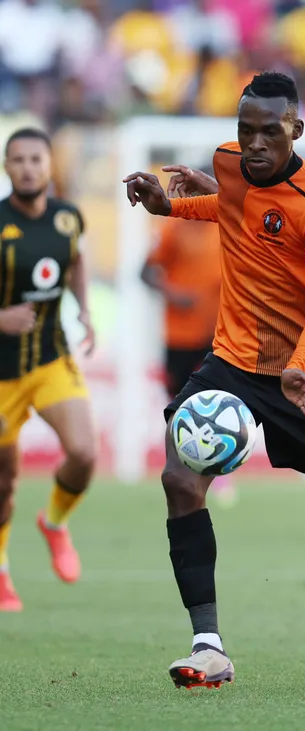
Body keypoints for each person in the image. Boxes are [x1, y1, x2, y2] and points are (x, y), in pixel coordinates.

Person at [122, 72, 305, 690]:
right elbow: (234, 209)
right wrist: (168, 206)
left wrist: (298, 365)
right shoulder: (227, 163)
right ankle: (208, 646)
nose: (256, 143)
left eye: (270, 131)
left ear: (297, 130)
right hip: (233, 358)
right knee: (180, 478)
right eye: (246, 130)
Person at [0, 127, 97, 612]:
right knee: (3, 481)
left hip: (50, 358)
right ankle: (1, 573)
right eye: (18, 160)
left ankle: (54, 522)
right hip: (1, 373)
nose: (28, 168)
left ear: (48, 164)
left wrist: (85, 310)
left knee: (84, 453)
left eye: (35, 159)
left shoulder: (68, 218)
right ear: (6, 167)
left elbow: (75, 261)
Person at [141, 193, 237, 507]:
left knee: (219, 400)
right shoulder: (174, 228)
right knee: (178, 405)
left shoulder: (226, 225)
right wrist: (174, 294)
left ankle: (219, 471)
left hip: (218, 331)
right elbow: (145, 272)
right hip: (180, 334)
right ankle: (178, 468)